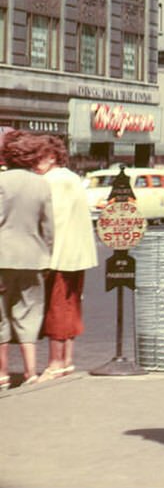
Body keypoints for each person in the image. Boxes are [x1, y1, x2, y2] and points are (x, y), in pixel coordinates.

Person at [38, 135, 98, 379]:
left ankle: (55, 363)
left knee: (57, 308)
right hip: (78, 252)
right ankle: (68, 360)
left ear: (52, 156)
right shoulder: (72, 177)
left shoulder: (52, 180)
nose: (34, 163)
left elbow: (55, 221)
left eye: (38, 157)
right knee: (72, 305)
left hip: (60, 254)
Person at [0, 131, 55, 388]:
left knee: (0, 316)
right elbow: (49, 226)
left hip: (2, 257)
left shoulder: (1, 181)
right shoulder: (41, 185)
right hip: (33, 257)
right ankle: (31, 372)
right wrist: (47, 255)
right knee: (29, 313)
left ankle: (2, 374)